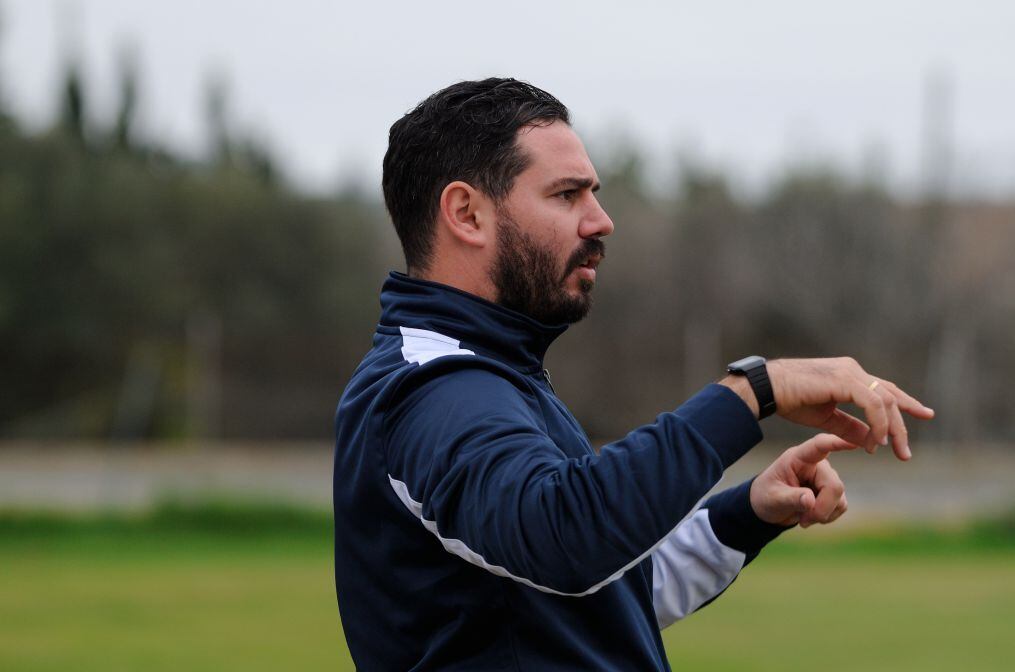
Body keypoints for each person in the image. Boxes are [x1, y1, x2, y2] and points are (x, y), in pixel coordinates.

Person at [333, 77, 934, 671]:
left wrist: (749, 512)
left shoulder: (491, 373)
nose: (601, 221)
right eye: (567, 195)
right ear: (467, 213)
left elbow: (606, 599)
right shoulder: (434, 387)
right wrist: (754, 391)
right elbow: (563, 535)